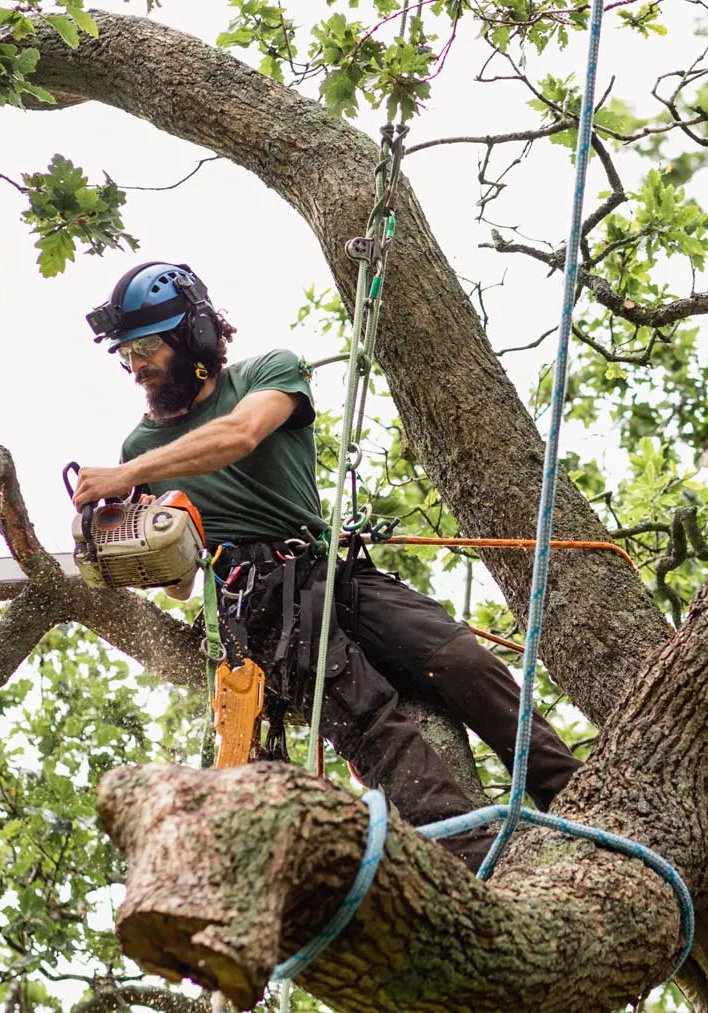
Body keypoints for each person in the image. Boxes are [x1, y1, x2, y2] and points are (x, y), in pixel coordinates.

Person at [70, 261, 582, 870]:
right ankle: (481, 862)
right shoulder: (141, 447)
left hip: (327, 569)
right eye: (127, 353)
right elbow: (182, 586)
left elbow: (240, 435)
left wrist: (130, 476)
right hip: (258, 600)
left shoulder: (268, 373)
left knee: (459, 657)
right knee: (370, 717)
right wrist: (137, 542)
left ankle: (577, 798)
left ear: (197, 337)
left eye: (149, 346)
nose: (137, 365)